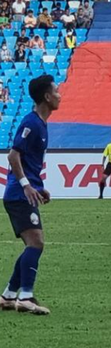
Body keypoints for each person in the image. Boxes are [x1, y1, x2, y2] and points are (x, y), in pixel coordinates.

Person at [0, 76, 61, 315]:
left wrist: (38, 185)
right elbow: (13, 156)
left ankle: (7, 295)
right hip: (18, 194)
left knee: (31, 244)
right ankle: (25, 296)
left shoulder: (40, 124)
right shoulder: (31, 123)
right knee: (36, 242)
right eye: (56, 91)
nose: (59, 95)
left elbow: (27, 161)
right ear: (47, 97)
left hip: (24, 192)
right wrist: (26, 185)